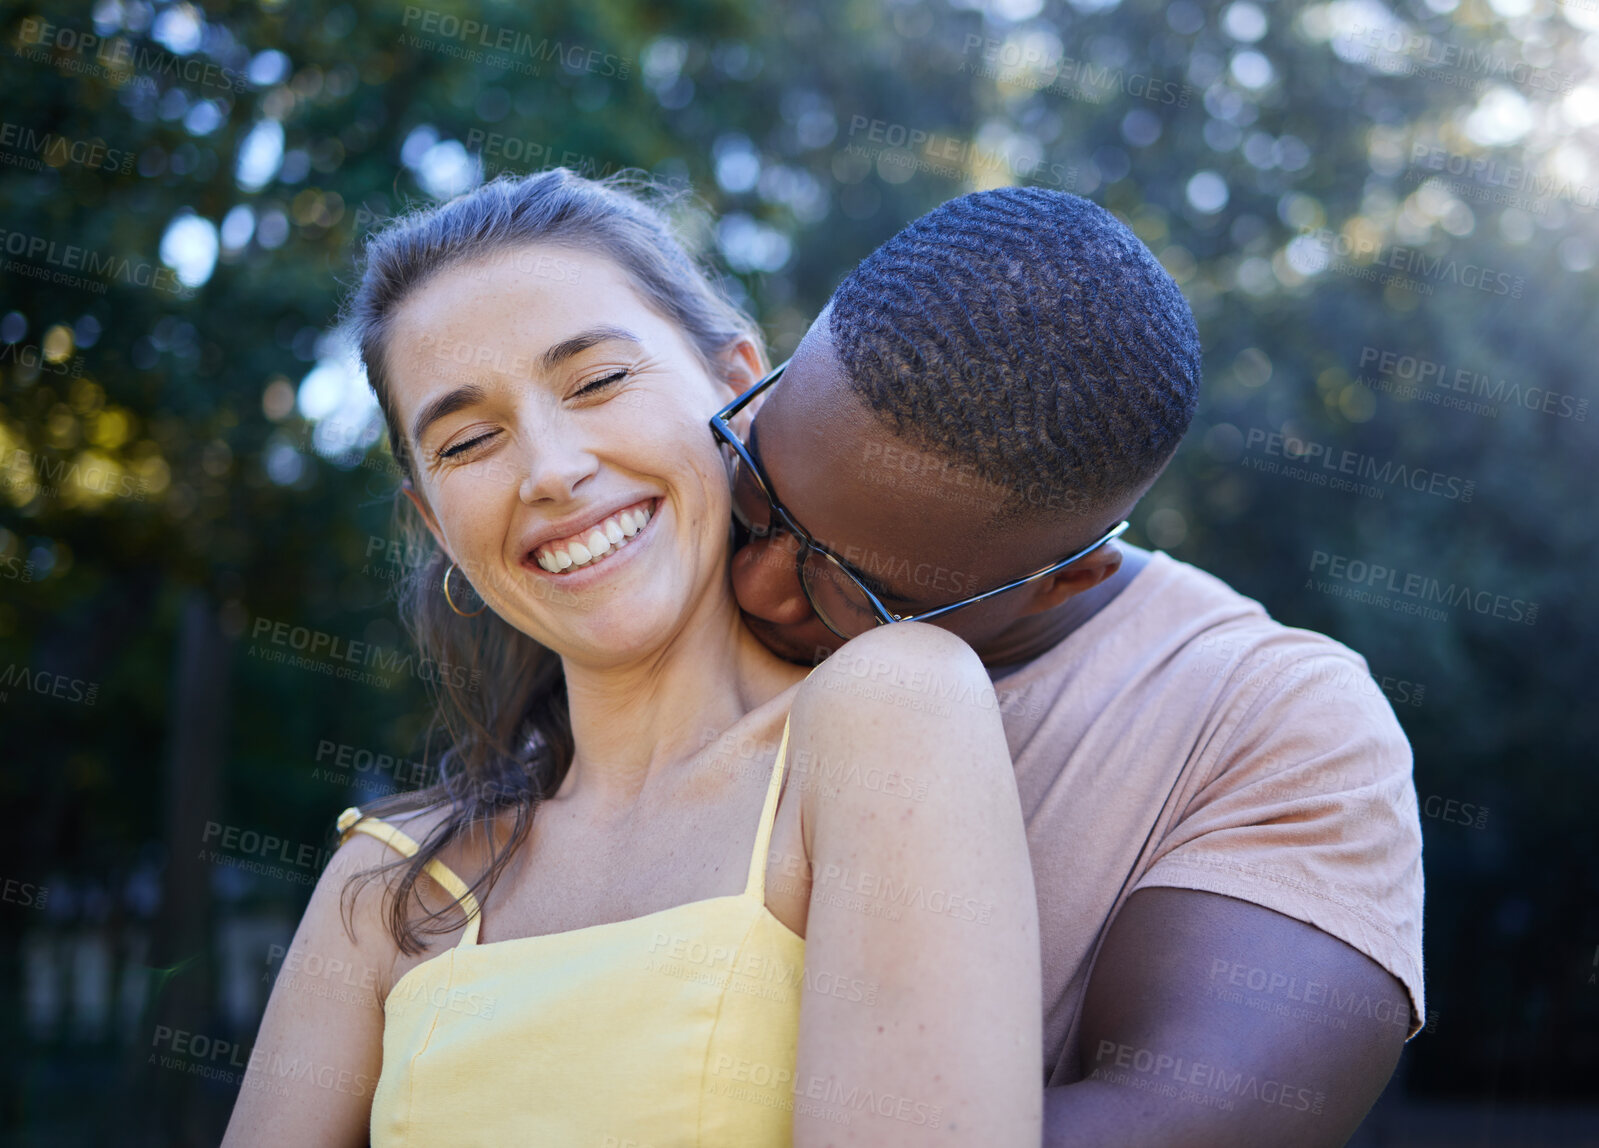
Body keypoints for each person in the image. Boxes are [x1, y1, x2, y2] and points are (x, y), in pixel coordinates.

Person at [221, 170, 1046, 1147]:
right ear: (434, 524)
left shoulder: (889, 710)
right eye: (469, 439)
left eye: (598, 380)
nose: (551, 470)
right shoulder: (389, 881)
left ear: (737, 385)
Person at [723, 186, 1427, 1147]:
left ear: (1067, 580)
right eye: (756, 486)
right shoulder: (650, 535)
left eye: (850, 585)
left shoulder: (1275, 725)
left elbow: (1173, 1124)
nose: (755, 588)